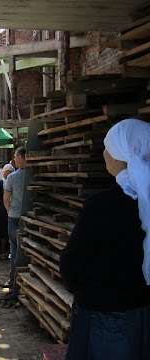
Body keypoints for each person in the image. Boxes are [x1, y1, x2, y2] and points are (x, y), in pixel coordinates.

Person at [60, 119, 150, 360]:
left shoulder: (103, 205)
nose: (104, 154)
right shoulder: (141, 202)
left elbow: (73, 261)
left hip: (106, 314)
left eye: (108, 147)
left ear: (121, 154)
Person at [3, 147, 26, 293]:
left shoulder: (12, 177)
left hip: (14, 216)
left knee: (15, 249)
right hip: (31, 216)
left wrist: (9, 210)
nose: (14, 159)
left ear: (22, 157)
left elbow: (6, 198)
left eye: (16, 156)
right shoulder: (34, 175)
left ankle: (13, 280)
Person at [0, 164, 14, 260]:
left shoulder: (0, 183)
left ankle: (3, 251)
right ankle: (11, 252)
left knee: (2, 230)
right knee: (10, 230)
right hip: (13, 208)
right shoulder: (14, 181)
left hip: (2, 210)